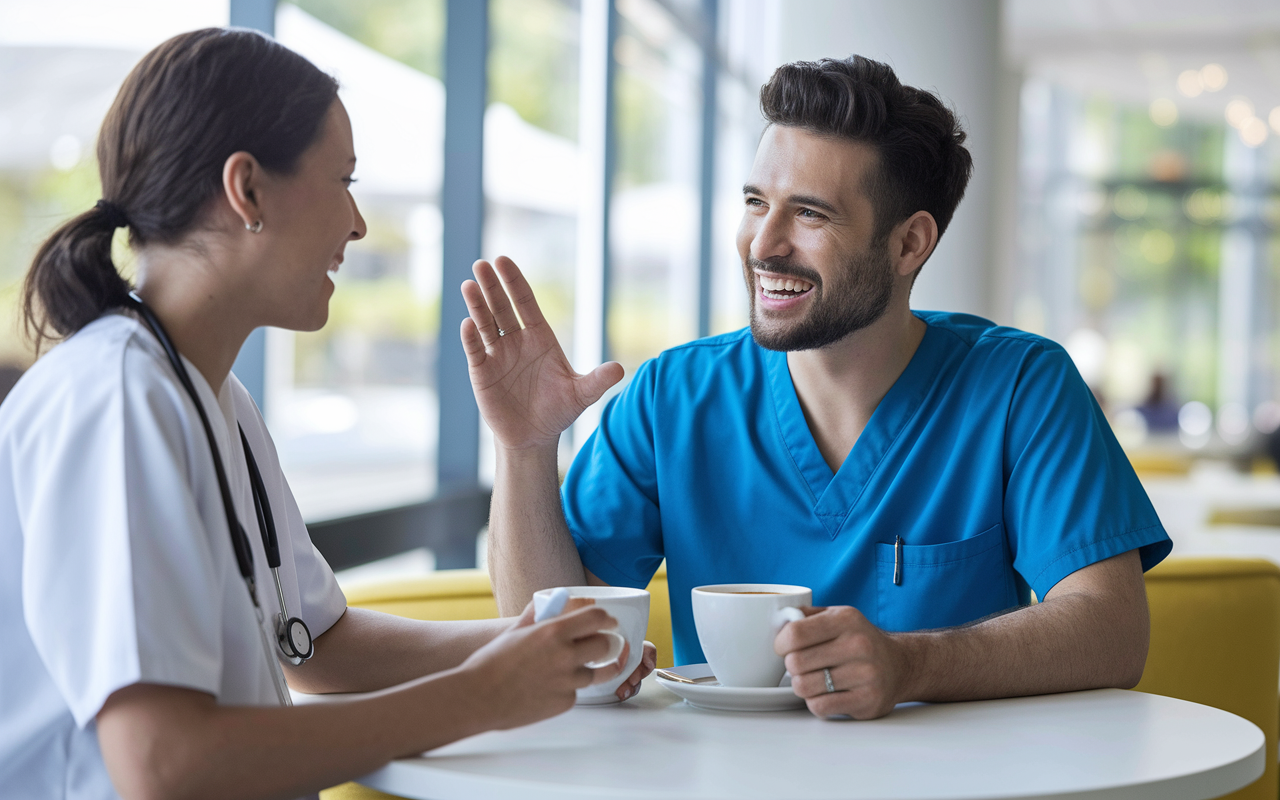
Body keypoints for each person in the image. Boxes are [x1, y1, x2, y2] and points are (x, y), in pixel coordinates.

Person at [0, 28, 637, 800]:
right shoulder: (114, 399)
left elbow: (317, 642)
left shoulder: (214, 397)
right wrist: (481, 697)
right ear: (248, 191)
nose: (358, 224)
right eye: (344, 179)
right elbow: (160, 765)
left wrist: (536, 645)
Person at [465, 55, 1171, 719]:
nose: (762, 244)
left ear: (909, 244)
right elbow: (556, 639)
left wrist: (908, 665)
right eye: (755, 202)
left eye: (808, 214)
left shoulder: (1020, 387)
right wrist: (525, 451)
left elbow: (1113, 631)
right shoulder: (669, 399)